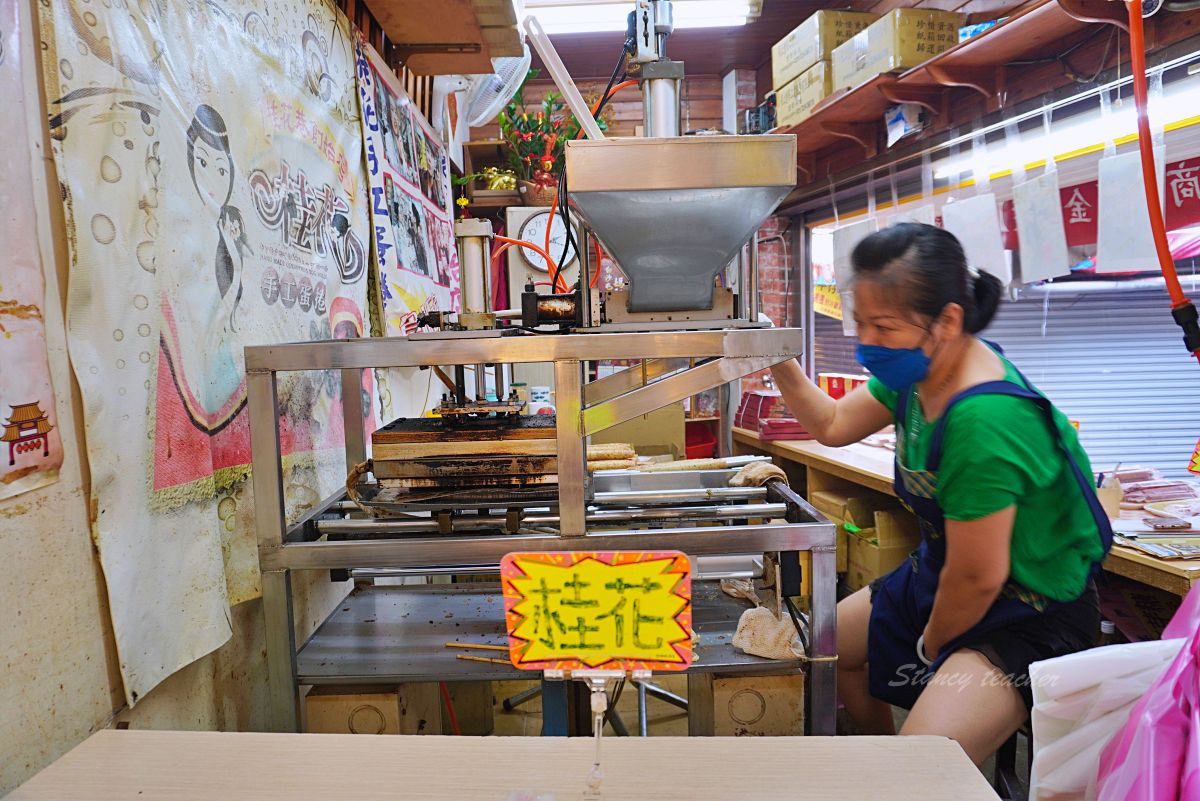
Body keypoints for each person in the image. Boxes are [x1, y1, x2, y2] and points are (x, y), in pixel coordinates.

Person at [770, 223, 1112, 765]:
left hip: (1029, 610)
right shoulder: (918, 371)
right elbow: (833, 422)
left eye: (883, 327)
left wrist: (930, 645)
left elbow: (979, 578)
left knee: (924, 766)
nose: (867, 344)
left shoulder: (984, 419)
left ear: (947, 320)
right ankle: (883, 767)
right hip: (945, 573)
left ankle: (904, 775)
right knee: (826, 648)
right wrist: (772, 354)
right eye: (861, 323)